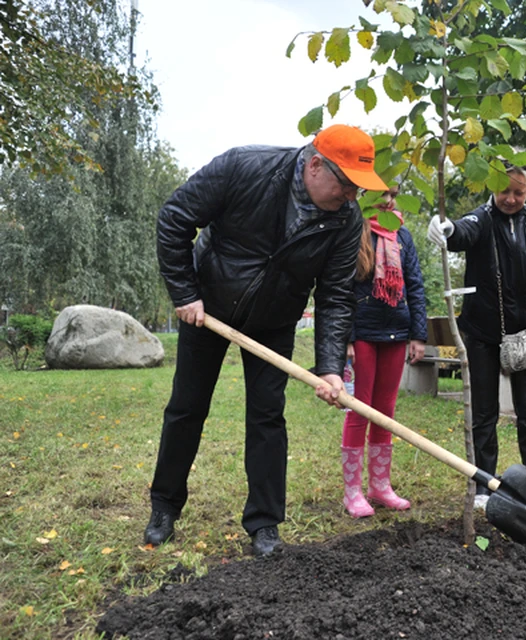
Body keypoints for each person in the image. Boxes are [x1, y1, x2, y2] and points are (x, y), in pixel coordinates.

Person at [146, 124, 392, 557]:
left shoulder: (345, 220)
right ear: (316, 165)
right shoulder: (245, 168)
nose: (351, 198)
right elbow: (175, 218)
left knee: (267, 417)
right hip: (209, 307)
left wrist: (330, 367)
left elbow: (335, 296)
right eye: (347, 185)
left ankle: (264, 525)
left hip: (275, 318)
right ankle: (164, 506)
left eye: (358, 189)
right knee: (186, 408)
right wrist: (185, 293)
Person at [427, 162, 526, 510]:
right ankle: (483, 484)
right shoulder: (481, 220)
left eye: (519, 192)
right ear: (492, 187)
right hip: (481, 334)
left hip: (525, 334)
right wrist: (446, 228)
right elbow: (462, 233)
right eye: (504, 190)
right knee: (483, 412)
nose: (510, 198)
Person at [339, 209, 427, 517]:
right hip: (363, 332)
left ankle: (380, 486)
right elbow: (341, 288)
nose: (388, 200)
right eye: (381, 193)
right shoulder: (353, 230)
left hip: (397, 331)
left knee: (385, 411)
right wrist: (346, 337)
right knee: (359, 408)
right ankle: (353, 492)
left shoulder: (402, 235)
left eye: (393, 193)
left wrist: (419, 334)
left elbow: (415, 285)